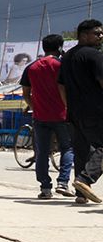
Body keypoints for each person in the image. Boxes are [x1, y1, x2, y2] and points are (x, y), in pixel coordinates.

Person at [20, 34, 74, 198]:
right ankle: (63, 182)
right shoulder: (63, 65)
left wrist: (34, 107)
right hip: (62, 115)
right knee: (67, 148)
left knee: (42, 152)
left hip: (40, 116)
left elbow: (26, 93)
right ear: (60, 47)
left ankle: (45, 187)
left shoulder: (31, 67)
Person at [58, 19, 103, 204]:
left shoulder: (67, 56)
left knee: (82, 150)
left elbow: (60, 85)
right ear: (84, 35)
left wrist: (68, 105)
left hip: (75, 112)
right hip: (96, 109)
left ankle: (81, 194)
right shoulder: (94, 55)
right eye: (97, 33)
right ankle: (85, 179)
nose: (101, 36)